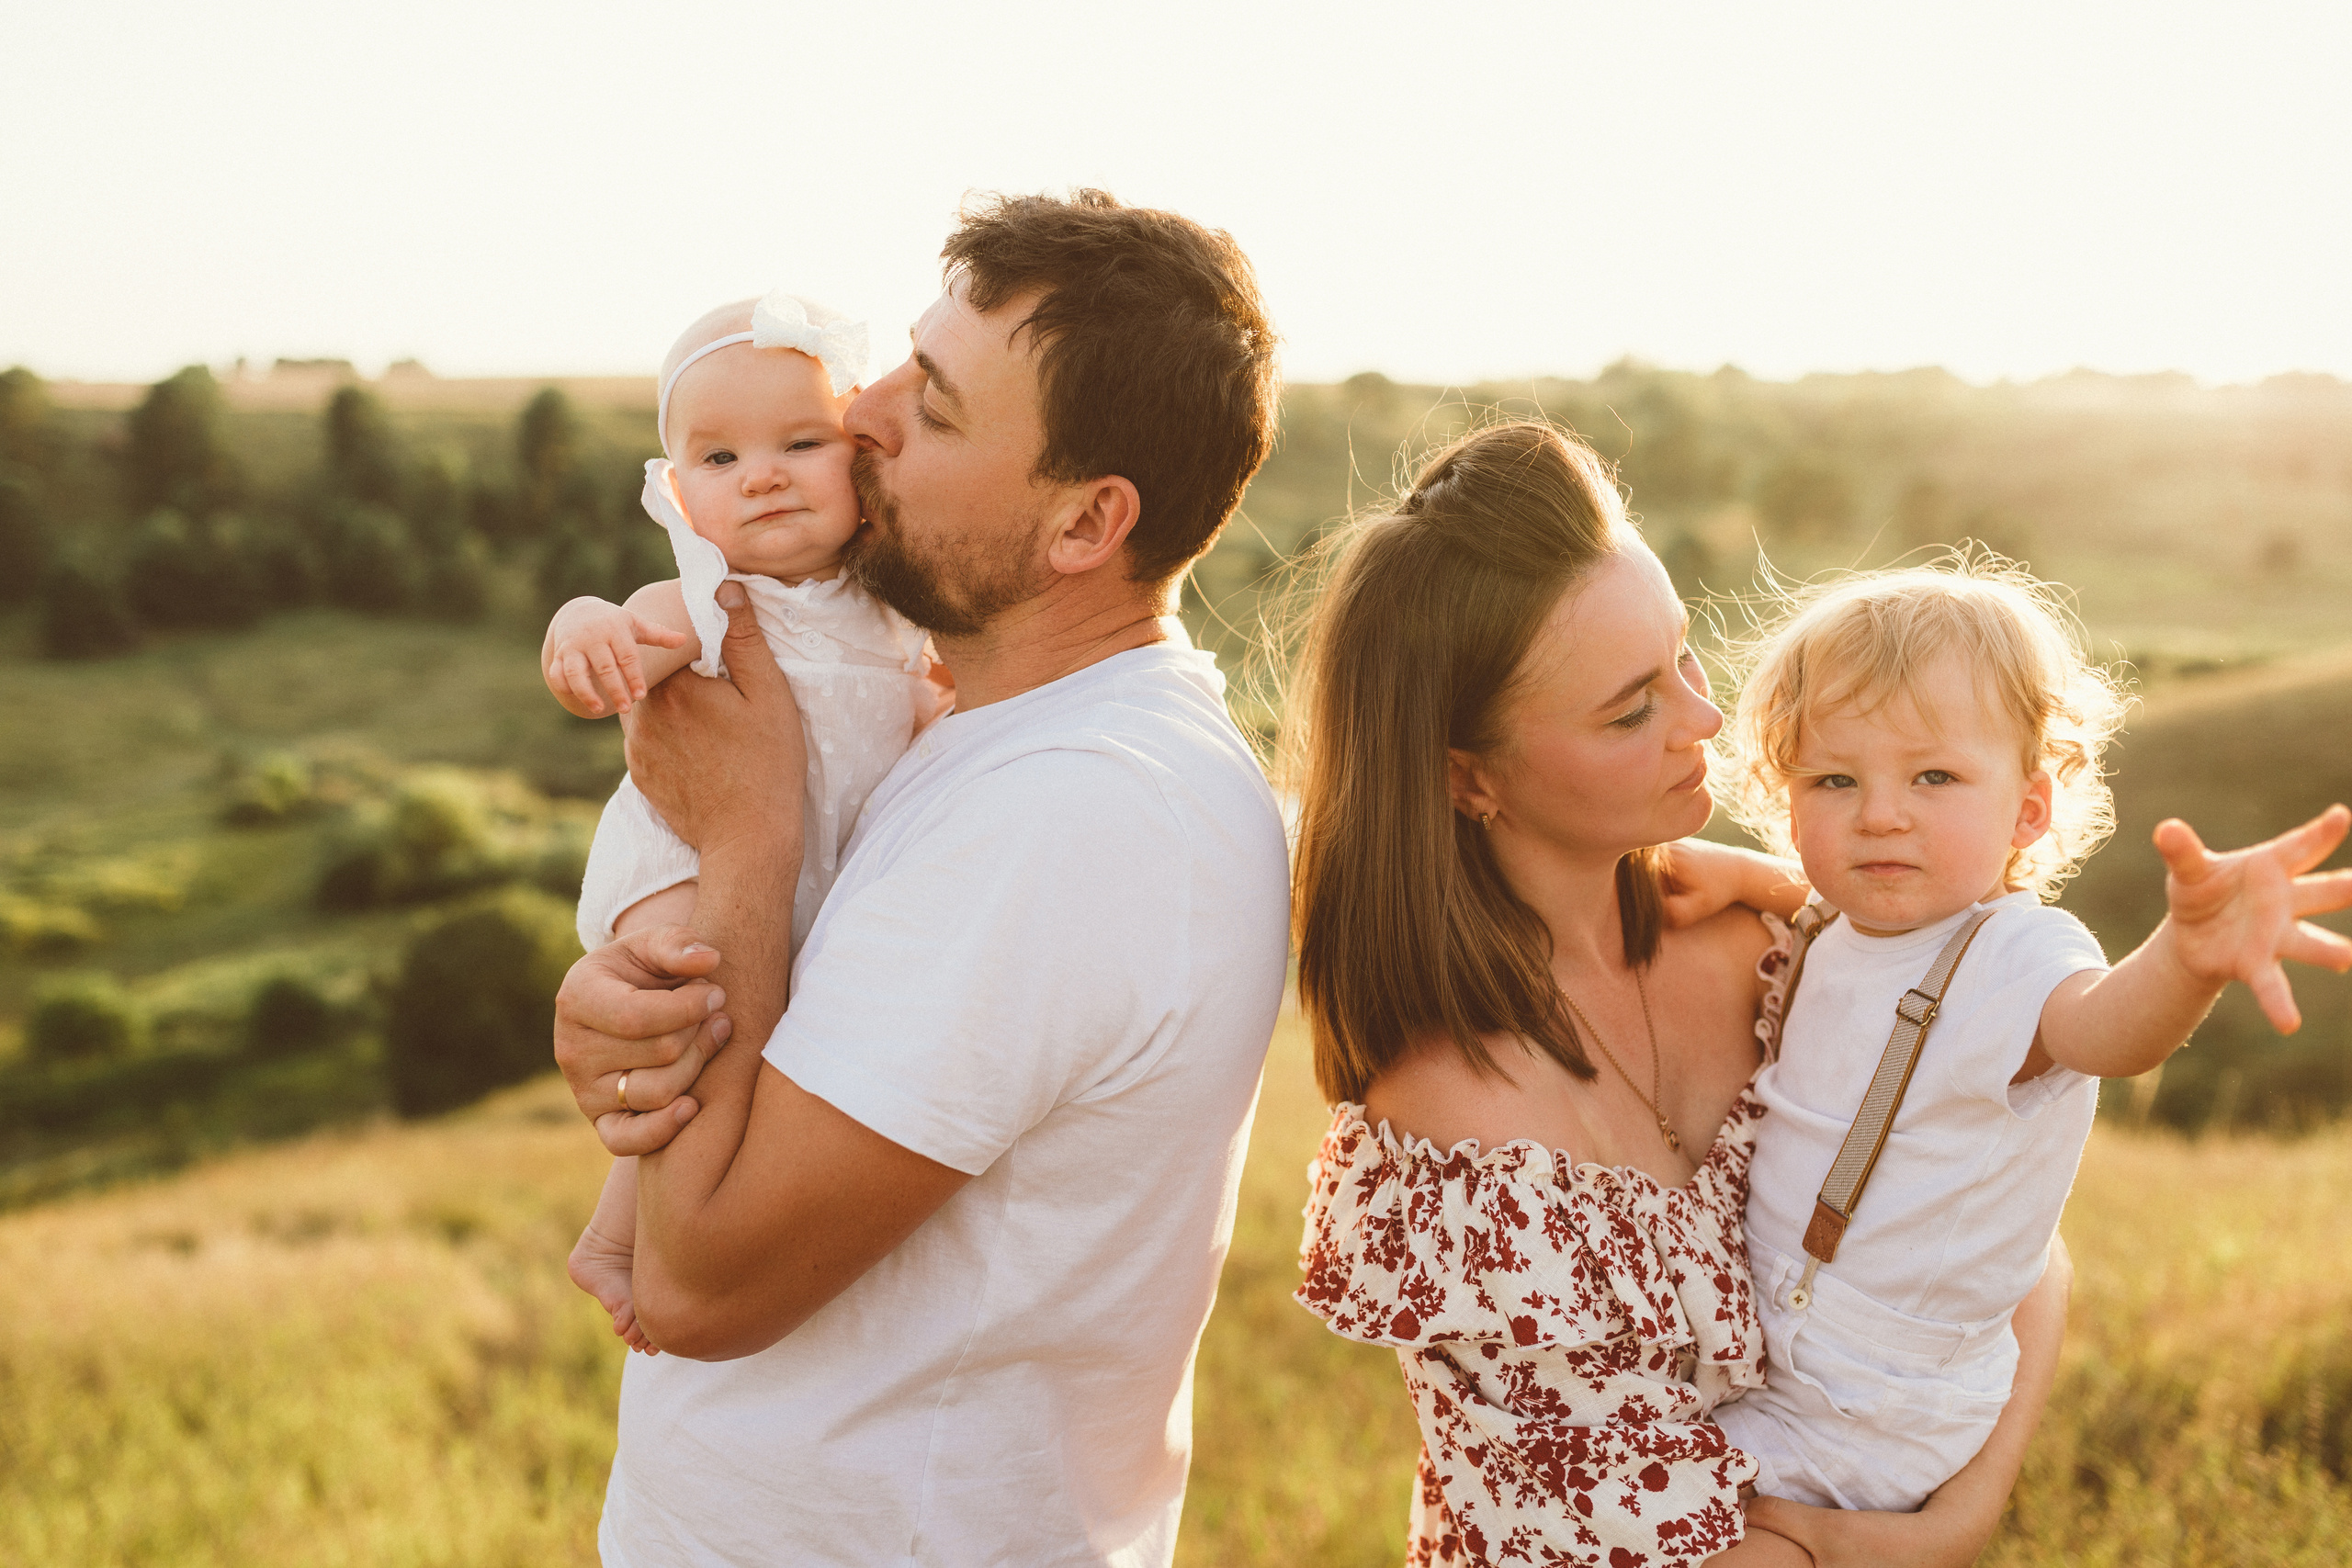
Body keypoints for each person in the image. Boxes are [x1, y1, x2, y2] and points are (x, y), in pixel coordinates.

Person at [548, 190, 1292, 1567]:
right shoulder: (990, 736)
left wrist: (750, 833)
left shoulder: (1073, 814)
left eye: (935, 407)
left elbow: (698, 1281)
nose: (864, 413)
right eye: (898, 358)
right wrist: (636, 1006)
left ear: (1086, 524)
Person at [1285, 420, 2075, 1566]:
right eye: (1629, 710)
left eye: (1686, 658)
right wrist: (1888, 1547)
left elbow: (2011, 1245)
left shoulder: (1778, 947)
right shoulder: (1460, 1141)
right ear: (1472, 779)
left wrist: (1963, 1515)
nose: (1706, 721)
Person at [1707, 559, 2352, 1512]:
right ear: (1782, 796)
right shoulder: (1822, 932)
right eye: (1834, 778)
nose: (1881, 812)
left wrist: (2186, 956)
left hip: (1873, 1407)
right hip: (1773, 1360)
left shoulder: (2013, 951)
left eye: (1934, 776)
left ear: (2028, 808)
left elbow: (2105, 1028)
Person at [540, 289, 942, 1355]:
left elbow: (920, 707)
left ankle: (615, 1236)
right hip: (681, 859)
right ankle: (624, 1237)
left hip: (796, 876)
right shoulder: (708, 601)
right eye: (718, 461)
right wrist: (584, 633)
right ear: (676, 495)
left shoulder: (890, 613)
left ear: (858, 458)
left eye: (800, 443)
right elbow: (622, 639)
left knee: (726, 1040)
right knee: (693, 1012)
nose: (761, 474)